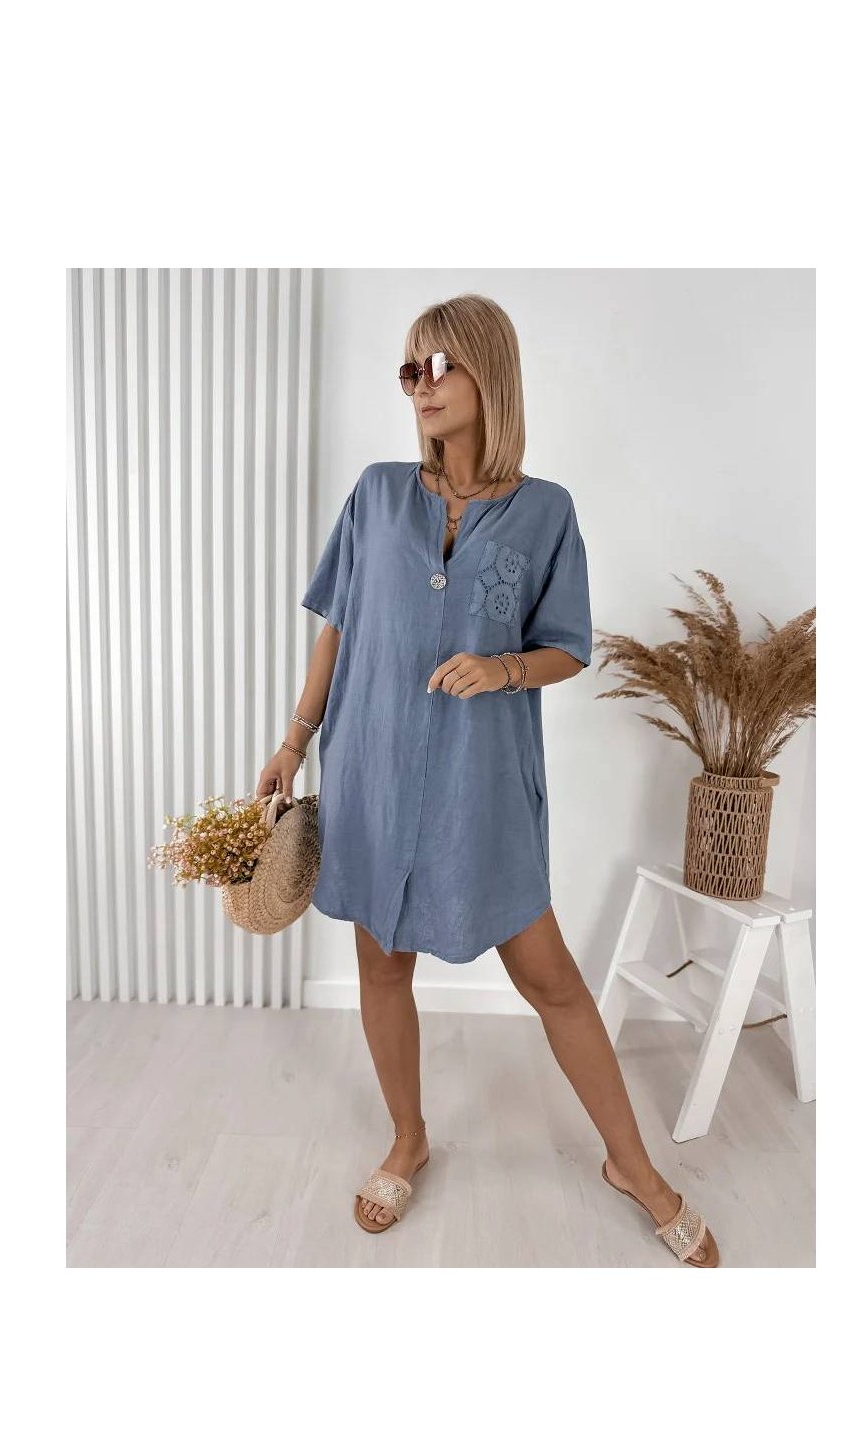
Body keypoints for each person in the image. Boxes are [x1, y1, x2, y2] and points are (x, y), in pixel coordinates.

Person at [255, 294, 719, 1267]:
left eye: (441, 366)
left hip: (484, 784)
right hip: (373, 767)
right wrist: (295, 742)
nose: (421, 386)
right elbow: (336, 624)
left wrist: (503, 667)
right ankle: (407, 1140)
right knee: (382, 962)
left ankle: (632, 1165)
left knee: (550, 979)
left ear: (488, 373)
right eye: (409, 369)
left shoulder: (545, 511)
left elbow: (567, 645)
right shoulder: (377, 494)